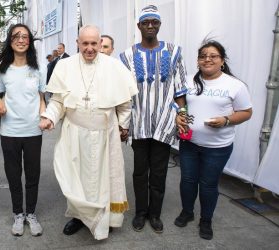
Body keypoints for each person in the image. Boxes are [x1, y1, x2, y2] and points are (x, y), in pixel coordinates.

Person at [39, 25, 138, 240]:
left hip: (106, 134)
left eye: (94, 43)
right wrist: (49, 117)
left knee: (107, 178)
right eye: (85, 43)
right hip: (75, 133)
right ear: (78, 43)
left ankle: (106, 219)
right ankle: (79, 217)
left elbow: (124, 103)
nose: (90, 48)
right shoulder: (64, 66)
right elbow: (58, 101)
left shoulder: (114, 67)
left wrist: (123, 126)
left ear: (100, 42)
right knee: (76, 179)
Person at [119, 5, 187, 234]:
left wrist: (182, 117)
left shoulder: (174, 51)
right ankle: (140, 212)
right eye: (146, 22)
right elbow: (123, 93)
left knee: (159, 172)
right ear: (139, 25)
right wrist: (123, 124)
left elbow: (180, 90)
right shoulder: (127, 56)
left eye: (154, 22)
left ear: (159, 25)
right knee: (139, 172)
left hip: (164, 122)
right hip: (138, 123)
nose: (150, 26)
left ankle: (155, 214)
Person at [175, 40, 252, 240]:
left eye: (213, 56)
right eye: (203, 56)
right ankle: (187, 212)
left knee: (208, 184)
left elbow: (246, 112)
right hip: (189, 144)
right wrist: (181, 113)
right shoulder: (190, 81)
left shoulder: (235, 85)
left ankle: (206, 220)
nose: (207, 59)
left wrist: (226, 120)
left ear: (222, 61)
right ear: (198, 60)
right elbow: (179, 98)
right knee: (187, 180)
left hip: (217, 147)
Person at [0, 23, 46, 237]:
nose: (21, 40)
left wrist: (45, 116)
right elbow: (0, 95)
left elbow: (42, 98)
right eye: (16, 36)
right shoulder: (3, 68)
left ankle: (31, 214)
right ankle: (18, 214)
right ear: (10, 41)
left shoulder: (38, 68)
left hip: (33, 131)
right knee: (14, 176)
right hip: (9, 131)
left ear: (30, 40)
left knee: (33, 175)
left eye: (25, 36)